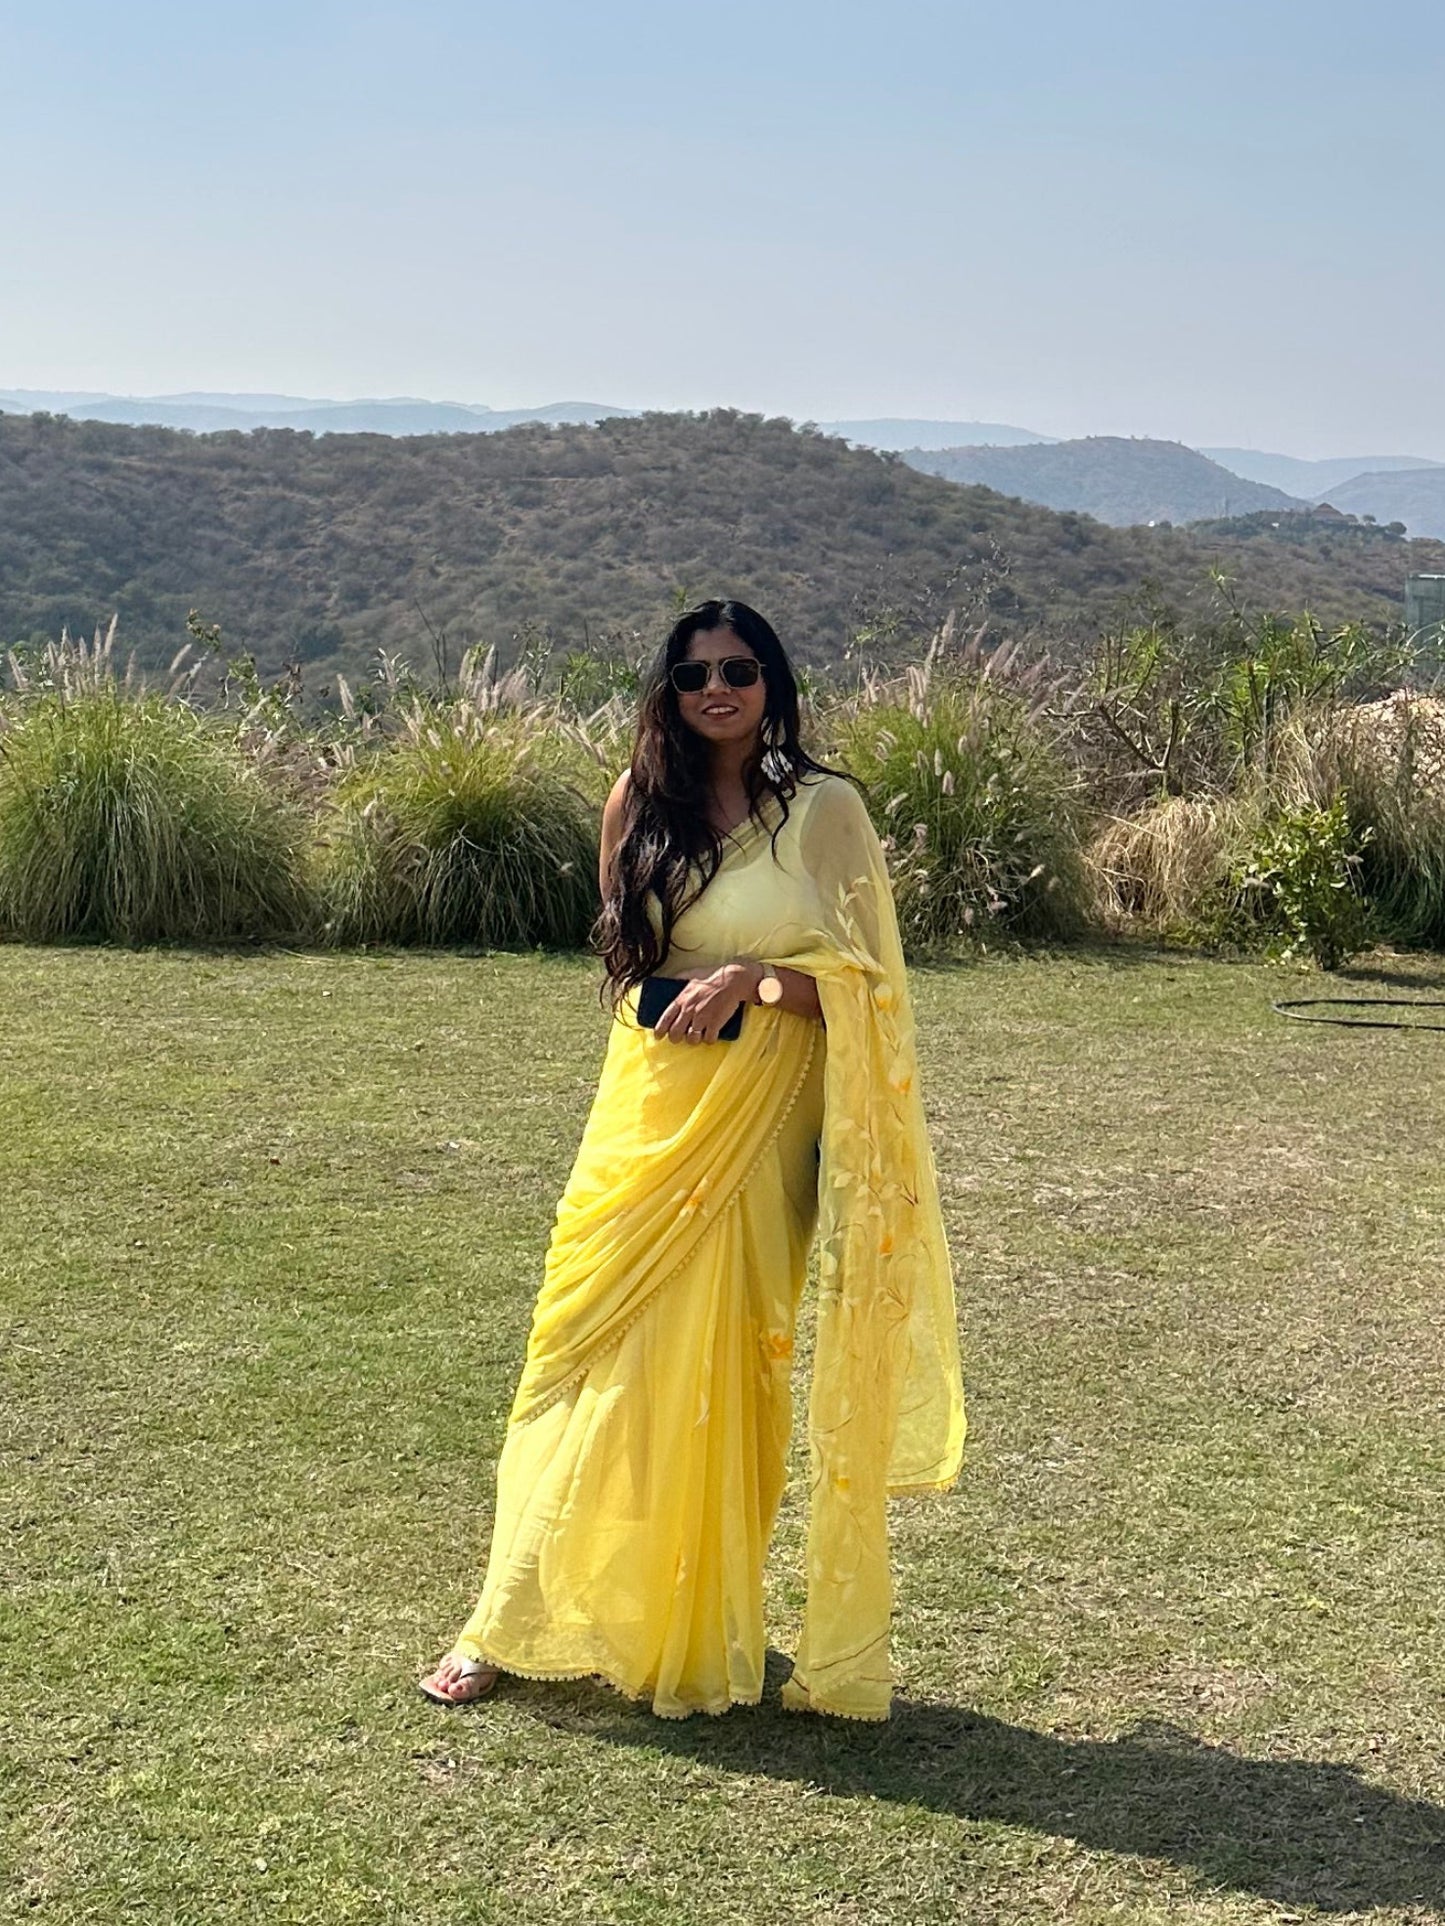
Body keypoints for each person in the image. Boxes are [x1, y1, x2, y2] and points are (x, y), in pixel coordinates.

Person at [419, 599, 964, 1722]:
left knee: (717, 1365)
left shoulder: (824, 812)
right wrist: (677, 992)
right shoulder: (636, 804)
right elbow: (619, 967)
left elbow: (873, 992)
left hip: (763, 1129)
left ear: (772, 683)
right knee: (576, 1356)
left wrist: (755, 980)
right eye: (693, 671)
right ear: (667, 690)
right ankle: (505, 1618)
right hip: (647, 1119)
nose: (716, 686)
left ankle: (686, 1616)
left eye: (738, 668)